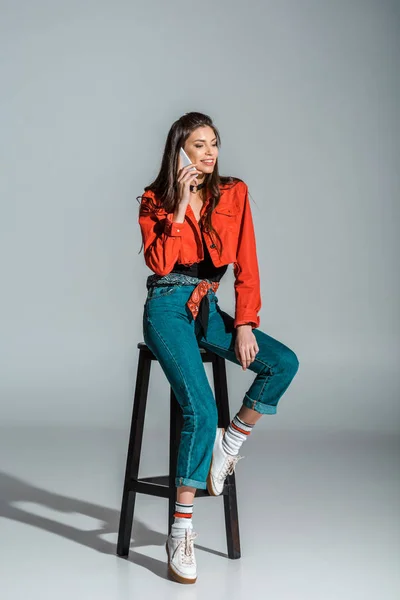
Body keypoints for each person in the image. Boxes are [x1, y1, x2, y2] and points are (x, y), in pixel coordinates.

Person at [138, 112, 299, 584]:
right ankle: (181, 532)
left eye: (214, 144)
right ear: (179, 151)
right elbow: (159, 260)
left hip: (209, 307)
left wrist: (246, 322)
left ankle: (231, 443)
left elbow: (246, 261)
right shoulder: (154, 200)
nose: (209, 154)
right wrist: (182, 206)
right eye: (199, 146)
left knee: (283, 363)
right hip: (166, 308)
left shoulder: (235, 192)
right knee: (200, 409)